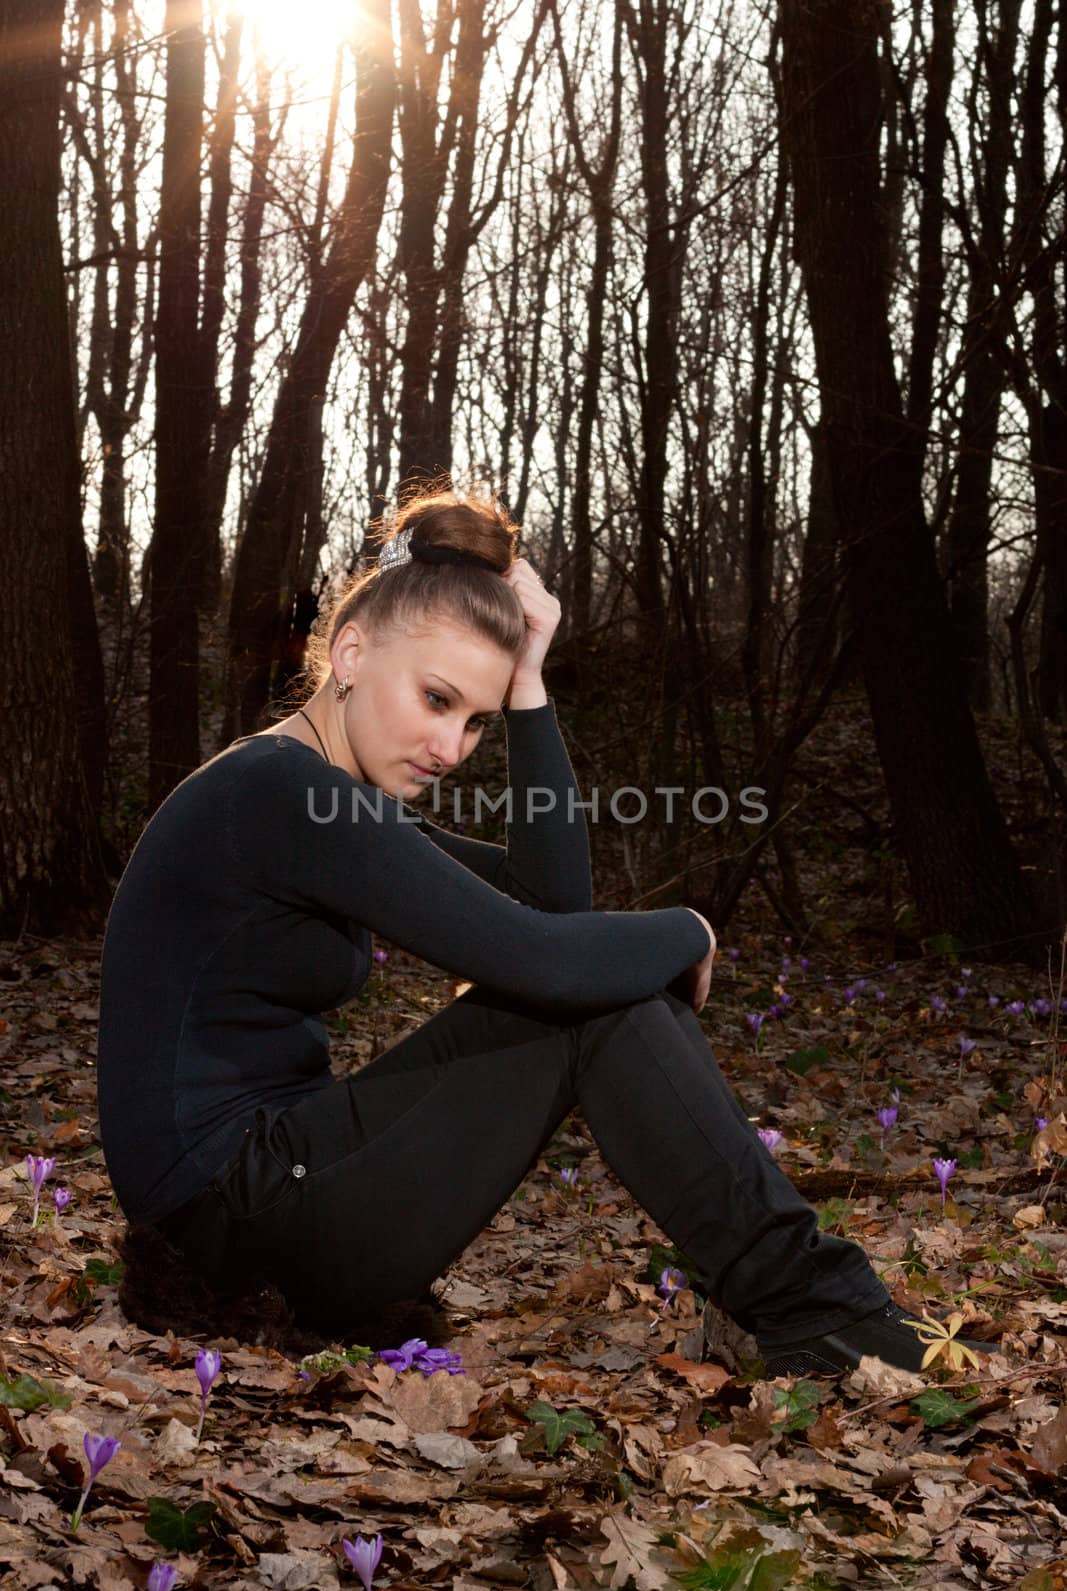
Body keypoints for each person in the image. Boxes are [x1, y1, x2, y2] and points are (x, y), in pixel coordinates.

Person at [97, 487, 993, 1375]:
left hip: (275, 1191)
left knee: (595, 987)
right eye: (437, 698)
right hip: (233, 1219)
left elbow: (545, 901)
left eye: (476, 721)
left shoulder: (320, 798)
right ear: (351, 652)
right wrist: (686, 928)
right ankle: (819, 1309)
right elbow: (546, 957)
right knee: (597, 999)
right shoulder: (280, 795)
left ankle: (816, 1306)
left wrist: (529, 685)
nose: (451, 748)